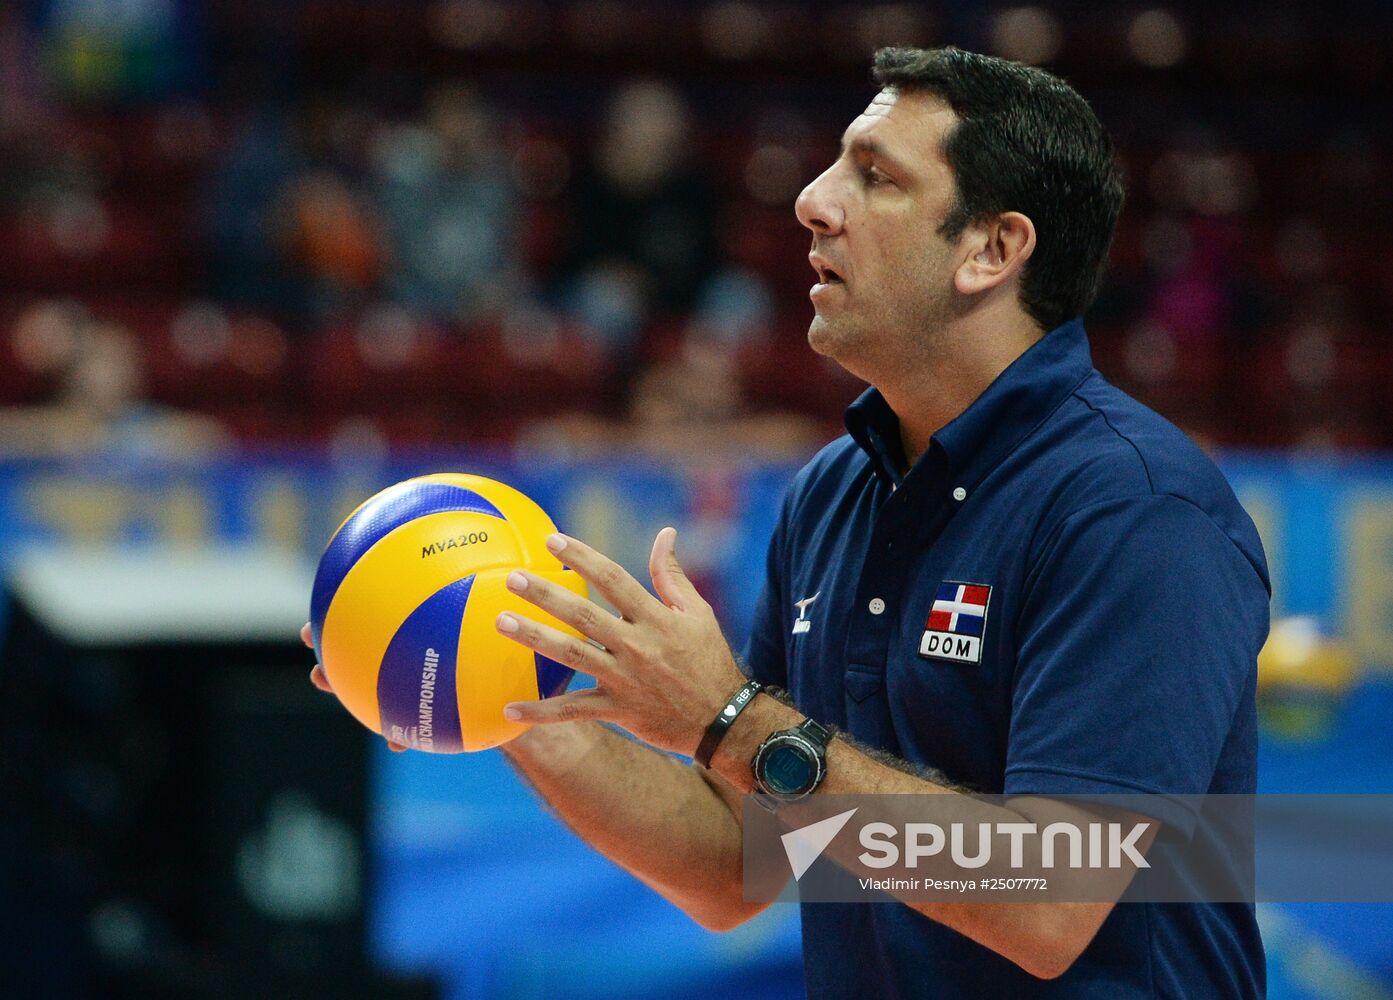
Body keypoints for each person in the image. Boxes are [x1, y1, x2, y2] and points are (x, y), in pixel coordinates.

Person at [307, 47, 1269, 998]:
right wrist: (496, 686)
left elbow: (1048, 902)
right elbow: (736, 863)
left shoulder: (1136, 510)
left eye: (875, 177)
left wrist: (728, 721)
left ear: (990, 250)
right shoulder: (831, 492)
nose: (813, 199)